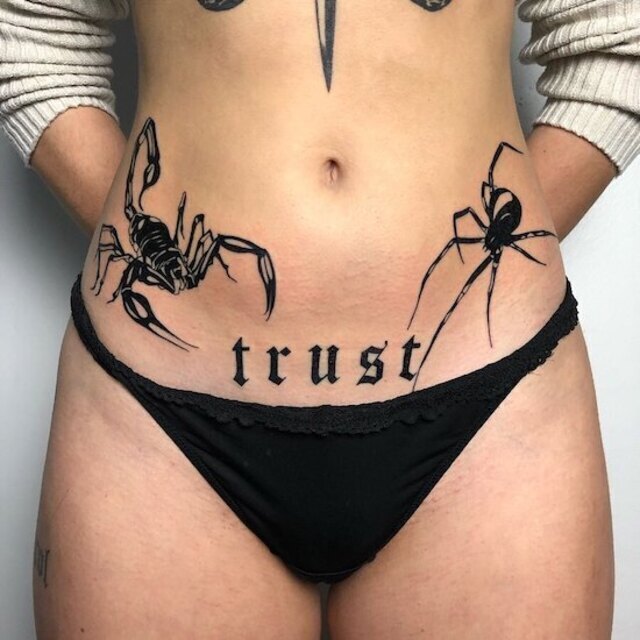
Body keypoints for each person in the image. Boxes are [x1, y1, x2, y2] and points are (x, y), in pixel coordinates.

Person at [1, 0, 638, 637]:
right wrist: (171, 277)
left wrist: (468, 272)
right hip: (156, 416)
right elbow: (33, 32)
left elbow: (616, 40)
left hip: (490, 397)